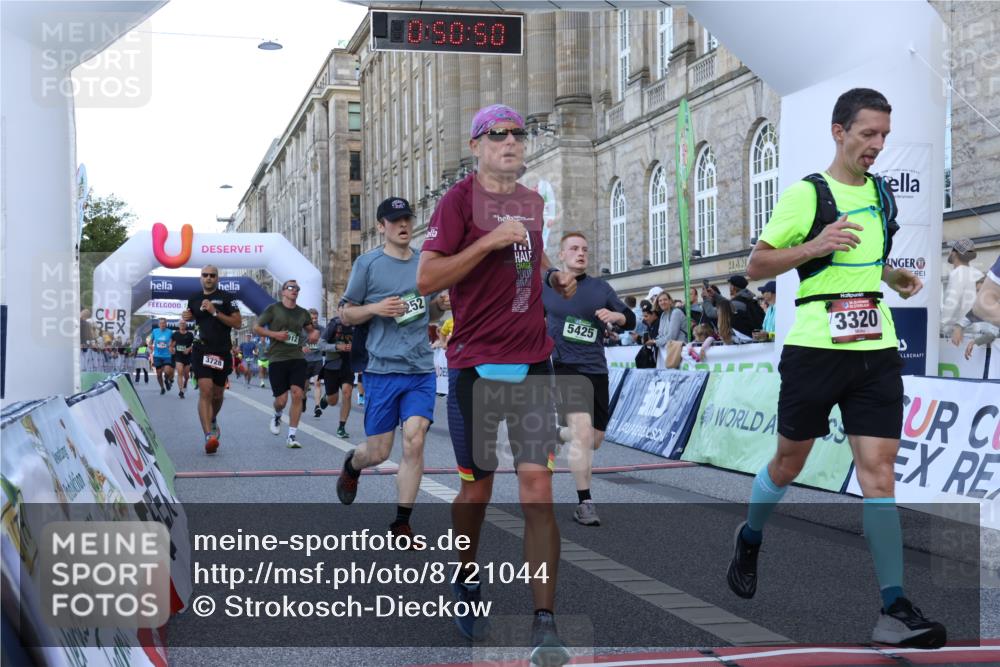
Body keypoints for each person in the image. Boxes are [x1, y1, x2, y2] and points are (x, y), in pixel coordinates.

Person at [731, 88, 945, 648]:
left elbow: (869, 263)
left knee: (879, 474)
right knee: (787, 463)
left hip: (874, 347)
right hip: (815, 347)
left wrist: (893, 278)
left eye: (883, 136)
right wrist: (814, 244)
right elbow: (757, 265)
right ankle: (751, 533)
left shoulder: (882, 196)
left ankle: (893, 607)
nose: (877, 146)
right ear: (839, 131)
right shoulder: (809, 194)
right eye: (867, 134)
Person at [417, 103, 576, 664]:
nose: (511, 141)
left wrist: (551, 271)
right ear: (477, 144)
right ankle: (464, 575)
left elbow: (525, 263)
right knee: (477, 490)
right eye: (498, 134)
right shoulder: (457, 201)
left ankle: (545, 621)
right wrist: (486, 242)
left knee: (538, 490)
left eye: (517, 133)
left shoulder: (532, 202)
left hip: (534, 362)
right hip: (475, 367)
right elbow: (427, 277)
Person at [336, 196, 449, 543]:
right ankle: (353, 465)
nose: (403, 225)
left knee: (414, 440)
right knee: (379, 452)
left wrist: (438, 306)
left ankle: (402, 522)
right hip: (382, 370)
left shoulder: (424, 263)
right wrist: (376, 308)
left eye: (407, 219)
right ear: (381, 226)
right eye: (395, 220)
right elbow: (345, 313)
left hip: (419, 369)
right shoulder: (368, 265)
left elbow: (426, 314)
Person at [543, 231, 635, 526]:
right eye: (573, 248)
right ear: (561, 255)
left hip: (596, 369)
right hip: (565, 367)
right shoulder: (549, 288)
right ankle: (585, 503)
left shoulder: (600, 288)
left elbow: (629, 318)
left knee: (593, 440)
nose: (580, 253)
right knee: (582, 431)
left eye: (584, 249)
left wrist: (617, 317)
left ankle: (556, 434)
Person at [183, 265, 242, 454]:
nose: (208, 278)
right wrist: (187, 316)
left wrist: (215, 312)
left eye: (212, 275)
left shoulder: (227, 298)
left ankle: (213, 418)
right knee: (205, 391)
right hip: (201, 350)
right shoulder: (193, 299)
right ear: (201, 278)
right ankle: (209, 436)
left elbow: (238, 323)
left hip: (222, 351)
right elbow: (191, 316)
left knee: (217, 395)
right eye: (205, 275)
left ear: (217, 278)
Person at [254, 280, 318, 449]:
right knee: (281, 400)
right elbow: (257, 327)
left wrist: (314, 333)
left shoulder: (303, 313)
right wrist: (274, 333)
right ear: (283, 292)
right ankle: (277, 414)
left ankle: (291, 436)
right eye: (290, 288)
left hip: (297, 357)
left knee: (297, 393)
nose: (294, 290)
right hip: (277, 358)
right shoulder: (273, 309)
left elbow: (311, 330)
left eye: (297, 288)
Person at [318, 300, 356, 439]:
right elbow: (320, 344)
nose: (348, 311)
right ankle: (326, 397)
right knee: (333, 401)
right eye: (345, 308)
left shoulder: (356, 325)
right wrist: (336, 347)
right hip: (332, 365)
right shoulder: (334, 324)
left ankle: (341, 427)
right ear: (339, 309)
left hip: (348, 365)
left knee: (347, 393)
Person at [940, 239, 983, 336]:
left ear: (955, 253)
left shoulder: (957, 273)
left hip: (958, 334)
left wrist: (941, 325)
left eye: (951, 249)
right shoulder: (977, 273)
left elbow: (951, 302)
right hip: (976, 330)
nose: (949, 252)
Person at [303, 308, 325, 415]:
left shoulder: (322, 329)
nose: (315, 320)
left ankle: (317, 406)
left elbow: (324, 342)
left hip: (317, 359)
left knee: (317, 383)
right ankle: (303, 399)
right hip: (306, 360)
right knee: (305, 386)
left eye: (316, 318)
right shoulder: (302, 330)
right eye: (312, 318)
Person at [149, 318, 175, 395]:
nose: (162, 324)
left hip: (167, 355)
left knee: (167, 371)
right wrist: (150, 346)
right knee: (159, 374)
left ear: (166, 324)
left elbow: (174, 340)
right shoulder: (155, 331)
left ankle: (167, 380)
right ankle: (162, 388)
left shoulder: (170, 332)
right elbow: (151, 341)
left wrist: (171, 346)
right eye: (161, 323)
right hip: (157, 355)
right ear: (158, 324)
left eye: (164, 323)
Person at [170, 320, 195, 399]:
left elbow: (194, 344)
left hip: (187, 357)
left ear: (186, 325)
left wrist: (188, 349)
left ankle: (185, 383)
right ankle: (181, 391)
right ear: (178, 325)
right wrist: (171, 349)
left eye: (184, 324)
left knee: (186, 376)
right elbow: (172, 344)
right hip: (178, 356)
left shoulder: (190, 334)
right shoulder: (175, 334)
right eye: (181, 324)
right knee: (180, 372)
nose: (182, 325)